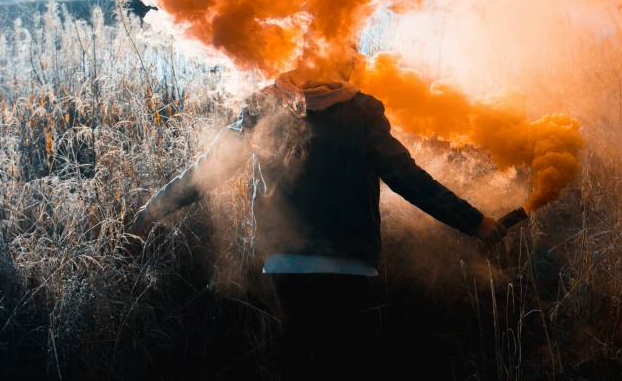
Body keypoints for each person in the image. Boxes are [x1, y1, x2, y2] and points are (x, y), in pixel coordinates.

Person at [133, 56, 507, 380]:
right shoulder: (361, 110)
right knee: (338, 361)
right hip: (349, 259)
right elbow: (409, 179)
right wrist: (473, 222)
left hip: (287, 257)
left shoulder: (264, 105)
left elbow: (208, 171)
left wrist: (153, 209)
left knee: (296, 357)